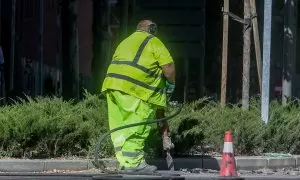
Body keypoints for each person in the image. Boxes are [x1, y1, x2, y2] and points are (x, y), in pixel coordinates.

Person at [101, 19, 176, 173]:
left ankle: (125, 162)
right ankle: (134, 163)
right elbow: (168, 67)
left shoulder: (125, 42)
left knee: (121, 127)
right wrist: (171, 83)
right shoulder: (154, 41)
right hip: (138, 90)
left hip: (113, 86)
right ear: (152, 29)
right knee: (138, 125)